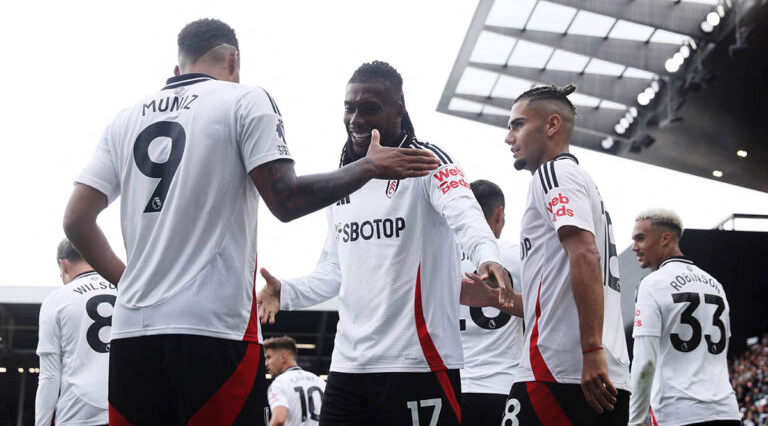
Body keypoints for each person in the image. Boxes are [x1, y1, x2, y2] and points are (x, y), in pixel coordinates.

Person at [62, 19, 438, 425]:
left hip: (133, 333)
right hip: (214, 330)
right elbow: (285, 200)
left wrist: (131, 282)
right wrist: (367, 167)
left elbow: (76, 220)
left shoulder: (125, 117)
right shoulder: (244, 100)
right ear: (234, 60)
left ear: (178, 69)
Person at [258, 60, 513, 425]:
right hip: (348, 366)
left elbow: (465, 213)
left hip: (418, 363)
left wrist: (487, 255)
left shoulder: (428, 162)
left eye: (370, 107)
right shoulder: (344, 180)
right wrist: (288, 292)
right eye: (350, 107)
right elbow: (334, 270)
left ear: (399, 109)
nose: (356, 118)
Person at [500, 84, 630, 425]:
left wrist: (590, 349)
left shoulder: (554, 173)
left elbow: (586, 256)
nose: (508, 136)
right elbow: (553, 296)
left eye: (516, 124)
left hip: (561, 372)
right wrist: (496, 299)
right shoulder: (580, 181)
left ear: (551, 125)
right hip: (598, 372)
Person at [629, 209, 740, 426]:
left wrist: (635, 421)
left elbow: (645, 363)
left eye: (640, 238)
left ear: (665, 238)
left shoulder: (651, 284)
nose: (635, 247)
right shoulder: (715, 285)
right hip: (727, 412)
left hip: (678, 413)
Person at [458, 180, 524, 426]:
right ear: (499, 215)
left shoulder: (440, 257)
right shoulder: (518, 257)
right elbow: (544, 308)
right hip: (503, 387)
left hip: (451, 387)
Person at [35, 239, 116, 426]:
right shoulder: (126, 288)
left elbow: (49, 376)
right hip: (125, 408)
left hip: (77, 413)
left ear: (64, 265)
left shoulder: (56, 300)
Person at [264, 336, 326, 426]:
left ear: (283, 357)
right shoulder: (321, 382)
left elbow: (279, 420)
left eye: (269, 357)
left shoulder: (279, 383)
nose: (266, 363)